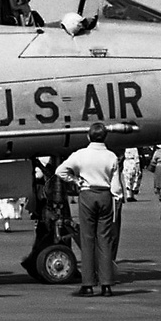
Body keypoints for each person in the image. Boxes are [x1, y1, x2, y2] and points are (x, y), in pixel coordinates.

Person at [55, 122, 124, 295]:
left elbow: (60, 171)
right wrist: (117, 198)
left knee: (87, 239)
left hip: (87, 194)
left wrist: (76, 181)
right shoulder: (111, 156)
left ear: (88, 136)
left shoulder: (81, 155)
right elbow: (116, 187)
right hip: (105, 195)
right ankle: (106, 284)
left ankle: (88, 284)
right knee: (105, 240)